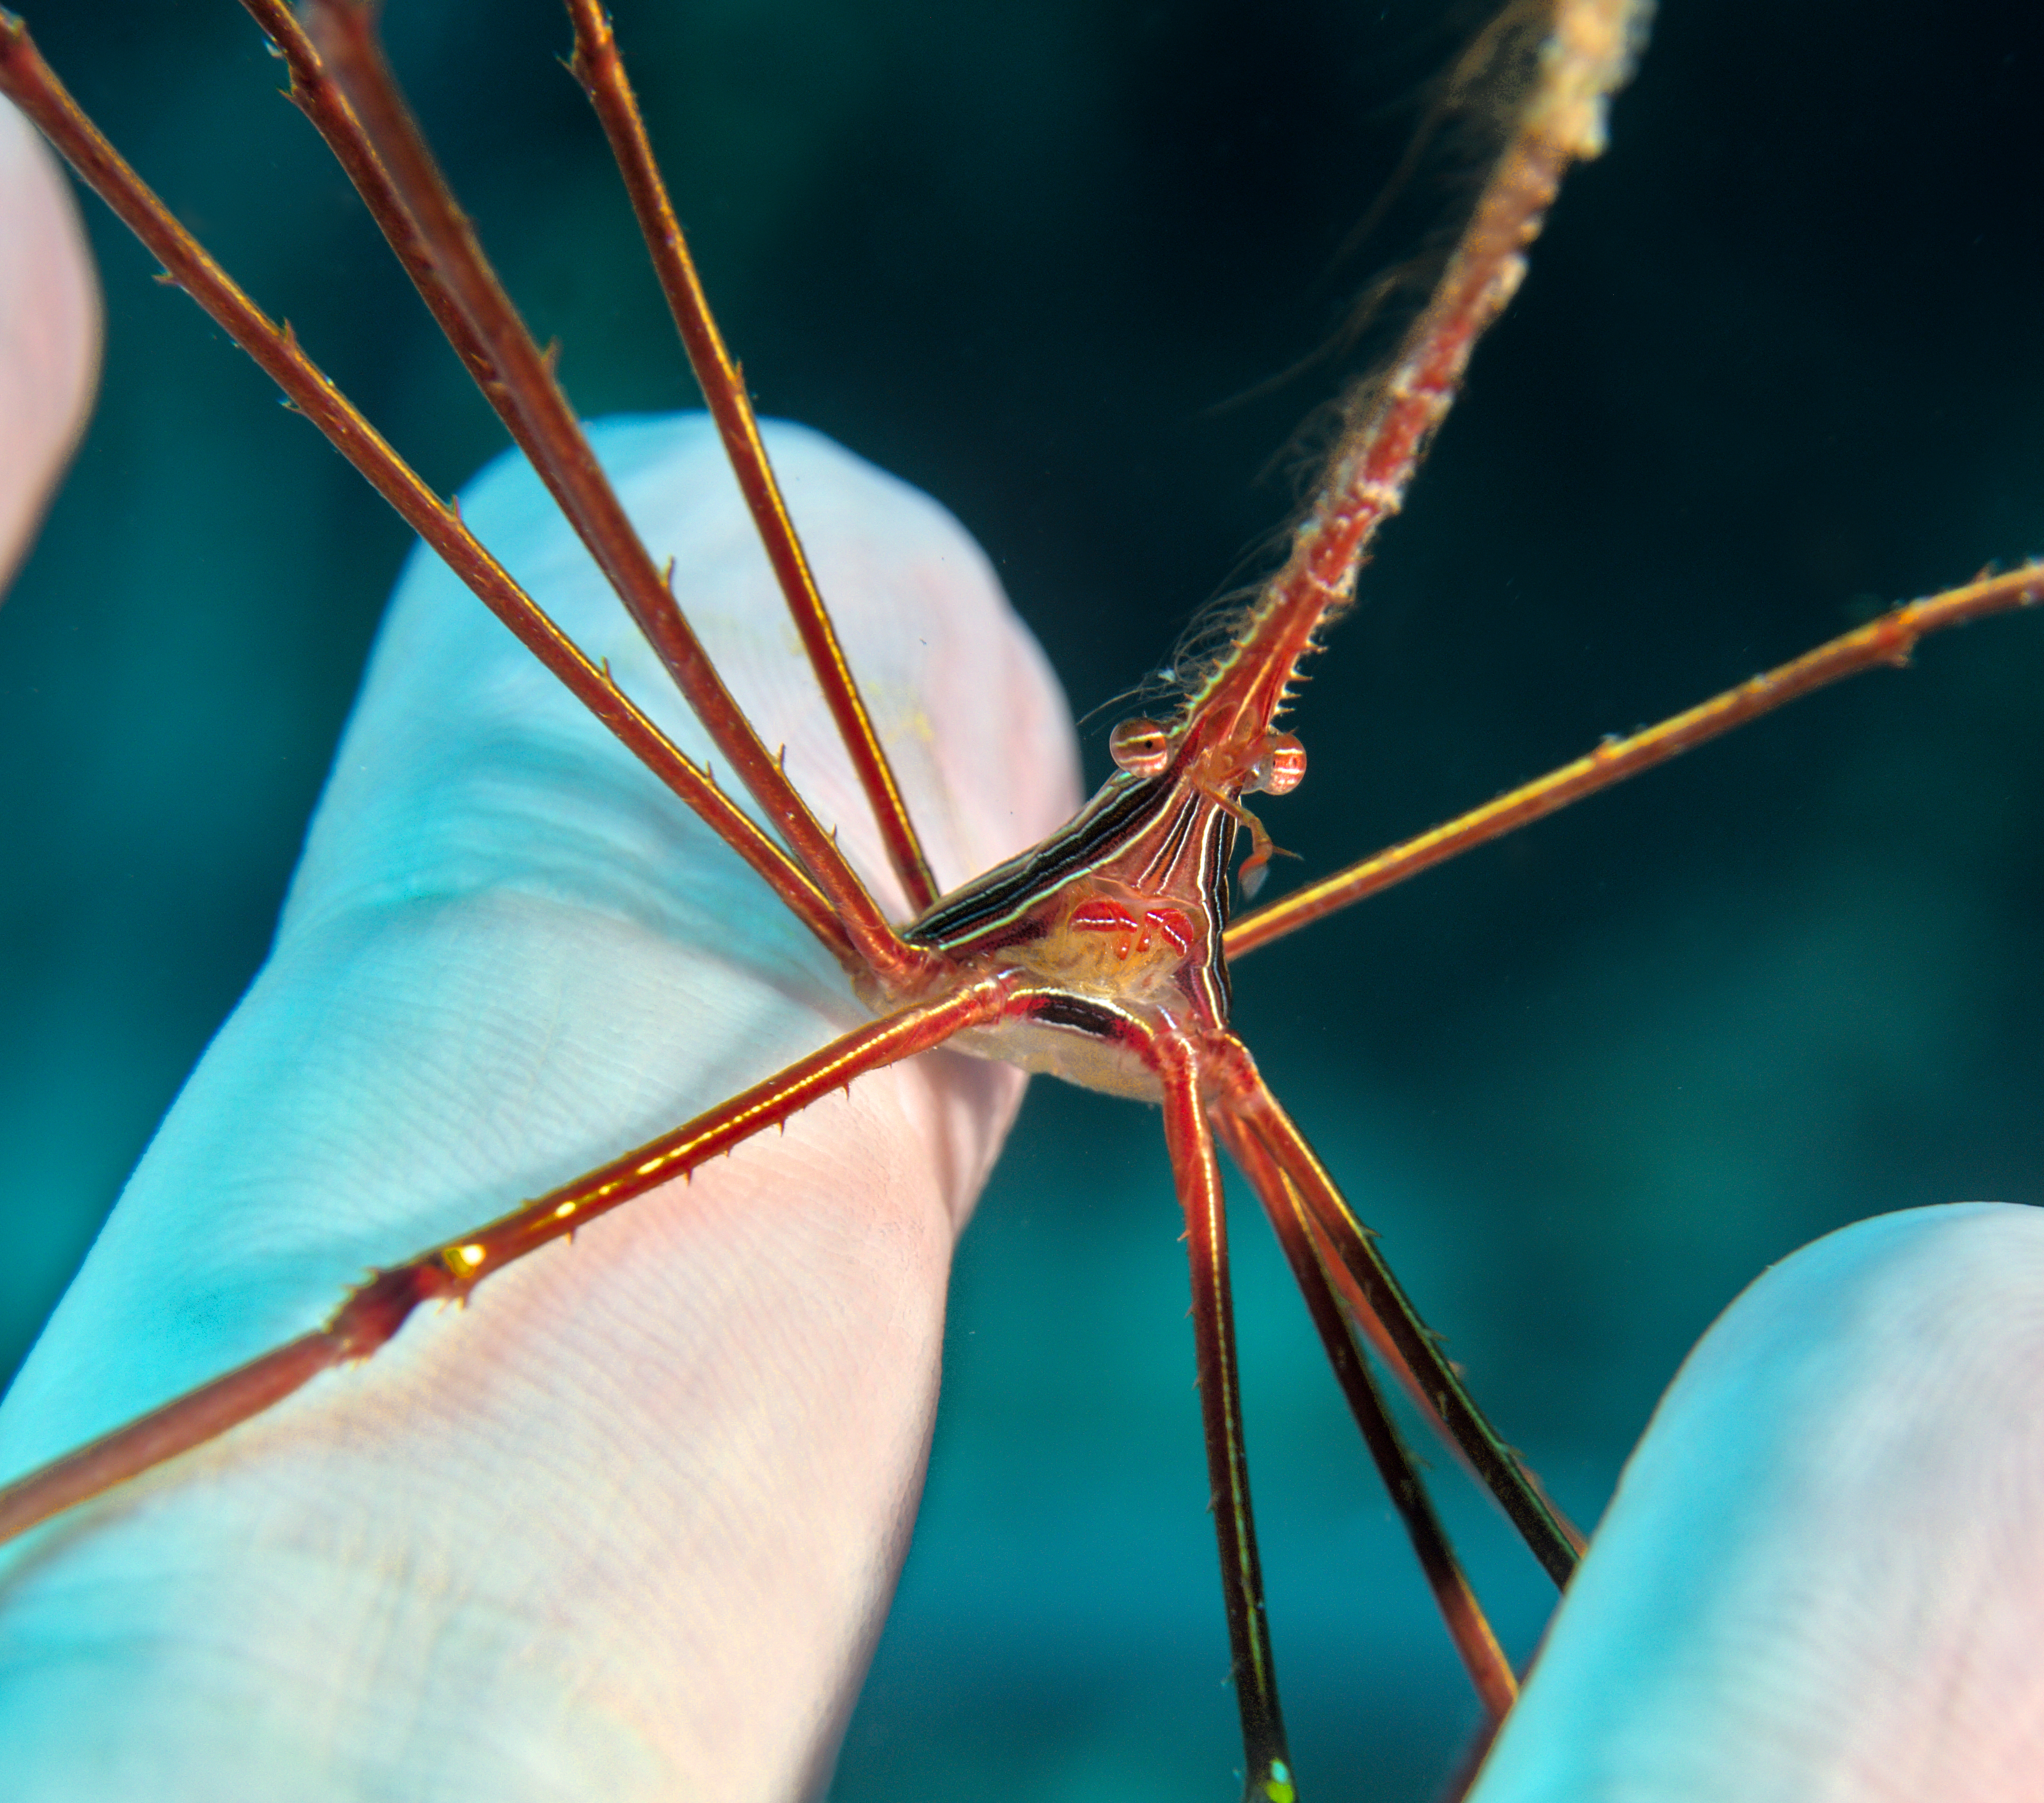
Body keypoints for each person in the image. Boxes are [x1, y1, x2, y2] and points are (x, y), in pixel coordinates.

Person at [5, 99, 2042, 1800]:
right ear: (1128, 757)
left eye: (1213, 786)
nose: (1180, 794)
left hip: (1166, 1037)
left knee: (1510, 1588)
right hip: (935, 930)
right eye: (1160, 765)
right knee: (412, 1291)